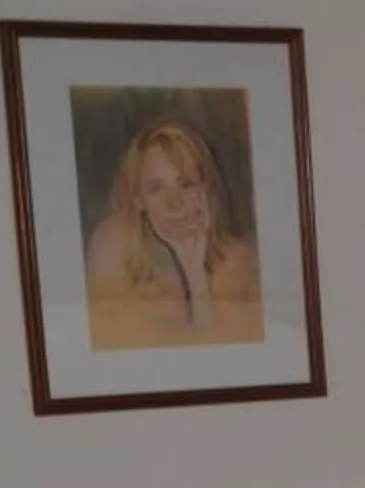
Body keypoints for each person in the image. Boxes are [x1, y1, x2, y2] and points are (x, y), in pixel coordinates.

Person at [81, 117, 264, 347]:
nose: (175, 204)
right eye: (157, 188)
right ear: (138, 199)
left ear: (205, 191)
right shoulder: (114, 243)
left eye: (186, 184)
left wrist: (196, 277)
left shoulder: (238, 262)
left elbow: (224, 360)